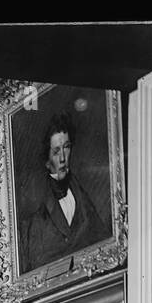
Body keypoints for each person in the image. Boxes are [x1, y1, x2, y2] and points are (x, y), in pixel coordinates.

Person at [21, 111, 109, 272]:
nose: (62, 158)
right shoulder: (37, 214)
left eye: (66, 148)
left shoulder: (83, 197)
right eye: (56, 151)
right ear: (47, 161)